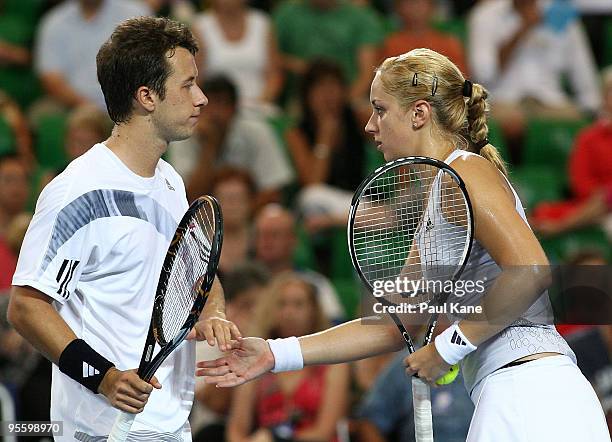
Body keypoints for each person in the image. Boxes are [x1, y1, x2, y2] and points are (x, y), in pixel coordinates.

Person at [197, 48, 610, 441]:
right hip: (515, 391)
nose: (369, 125)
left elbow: (532, 271)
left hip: (532, 394)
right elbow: (394, 323)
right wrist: (275, 353)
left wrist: (447, 348)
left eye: (380, 109)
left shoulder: (464, 174)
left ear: (419, 113)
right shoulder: (442, 189)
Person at [7, 17, 240, 441]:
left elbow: (197, 273)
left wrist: (213, 312)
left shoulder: (170, 181)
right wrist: (104, 378)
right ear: (146, 97)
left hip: (169, 423)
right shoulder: (77, 192)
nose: (202, 98)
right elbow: (26, 306)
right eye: (187, 85)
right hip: (102, 429)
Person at [468, 0, 600, 164]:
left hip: (551, 102)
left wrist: (593, 110)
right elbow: (484, 74)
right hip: (503, 101)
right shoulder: (485, 15)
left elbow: (583, 70)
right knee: (511, 124)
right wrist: (523, 28)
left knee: (586, 130)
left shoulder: (561, 14)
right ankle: (510, 176)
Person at [226, 272, 350, 442]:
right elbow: (236, 430)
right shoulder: (256, 358)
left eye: (298, 304)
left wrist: (277, 438)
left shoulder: (334, 363)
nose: (289, 312)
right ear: (271, 310)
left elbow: (324, 432)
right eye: (281, 304)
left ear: (313, 310)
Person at [179, 75, 294, 207]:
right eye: (208, 106)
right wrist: (208, 149)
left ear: (235, 109)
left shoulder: (258, 132)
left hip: (251, 216)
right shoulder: (184, 134)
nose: (215, 114)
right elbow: (188, 197)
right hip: (205, 218)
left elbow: (273, 192)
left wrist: (236, 216)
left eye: (221, 104)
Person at [33, 0, 151, 112]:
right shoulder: (54, 22)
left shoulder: (135, 13)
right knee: (43, 112)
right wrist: (85, 106)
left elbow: (149, 66)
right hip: (74, 105)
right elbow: (51, 78)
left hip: (128, 102)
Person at [191, 0, 283, 110]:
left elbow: (274, 74)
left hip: (260, 106)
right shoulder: (200, 26)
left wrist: (261, 102)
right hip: (215, 109)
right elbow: (195, 78)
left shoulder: (262, 23)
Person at [380, 0, 468, 75]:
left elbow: (460, 79)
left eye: (421, 3)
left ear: (432, 7)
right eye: (409, 3)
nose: (416, 8)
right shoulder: (390, 43)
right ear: (398, 8)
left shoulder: (448, 42)